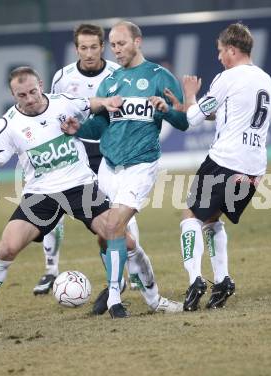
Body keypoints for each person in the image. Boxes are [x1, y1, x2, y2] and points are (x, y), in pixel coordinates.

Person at [0, 66, 129, 329]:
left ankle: (120, 286)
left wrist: (106, 102)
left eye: (33, 91)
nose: (30, 98)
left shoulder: (63, 103)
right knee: (7, 247)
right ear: (13, 95)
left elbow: (91, 103)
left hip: (80, 186)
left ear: (41, 85)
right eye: (22, 94)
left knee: (116, 234)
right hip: (41, 194)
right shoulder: (8, 125)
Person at [62, 21, 190, 318]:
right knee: (109, 236)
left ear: (138, 41)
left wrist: (167, 110)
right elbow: (100, 126)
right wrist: (78, 128)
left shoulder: (160, 77)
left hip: (141, 165)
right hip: (108, 168)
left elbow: (183, 122)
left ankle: (114, 298)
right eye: (114, 45)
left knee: (113, 226)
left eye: (121, 43)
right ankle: (155, 299)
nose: (116, 50)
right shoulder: (111, 82)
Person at [176, 23, 271, 311]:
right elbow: (224, 114)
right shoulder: (264, 78)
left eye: (220, 51)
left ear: (232, 50)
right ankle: (223, 281)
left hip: (225, 161)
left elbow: (193, 120)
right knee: (211, 220)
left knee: (190, 215)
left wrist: (189, 94)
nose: (219, 57)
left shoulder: (227, 77)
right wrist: (188, 106)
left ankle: (195, 279)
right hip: (254, 168)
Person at [33, 23, 121, 295]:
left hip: (108, 150)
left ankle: (119, 279)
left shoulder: (118, 74)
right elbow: (52, 111)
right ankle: (50, 269)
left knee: (114, 217)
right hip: (73, 152)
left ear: (102, 46)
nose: (89, 53)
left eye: (94, 47)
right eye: (83, 47)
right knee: (53, 208)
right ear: (76, 48)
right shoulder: (62, 76)